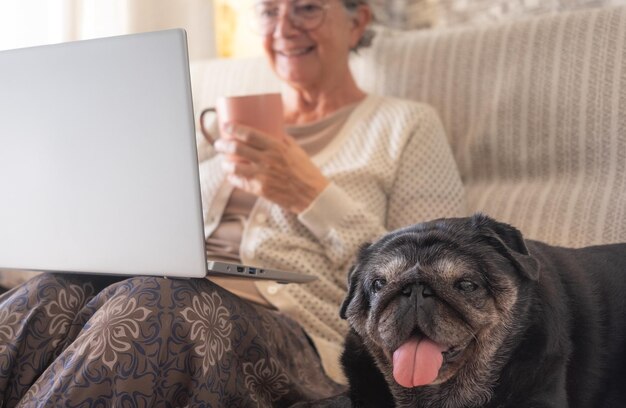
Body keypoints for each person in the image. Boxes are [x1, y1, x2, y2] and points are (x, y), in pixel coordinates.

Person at [0, 0, 466, 406]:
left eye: (306, 7)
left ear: (357, 21)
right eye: (267, 11)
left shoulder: (404, 126)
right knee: (50, 292)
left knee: (160, 303)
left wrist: (310, 194)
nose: (283, 28)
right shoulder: (222, 133)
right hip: (148, 292)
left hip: (295, 333)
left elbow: (433, 274)